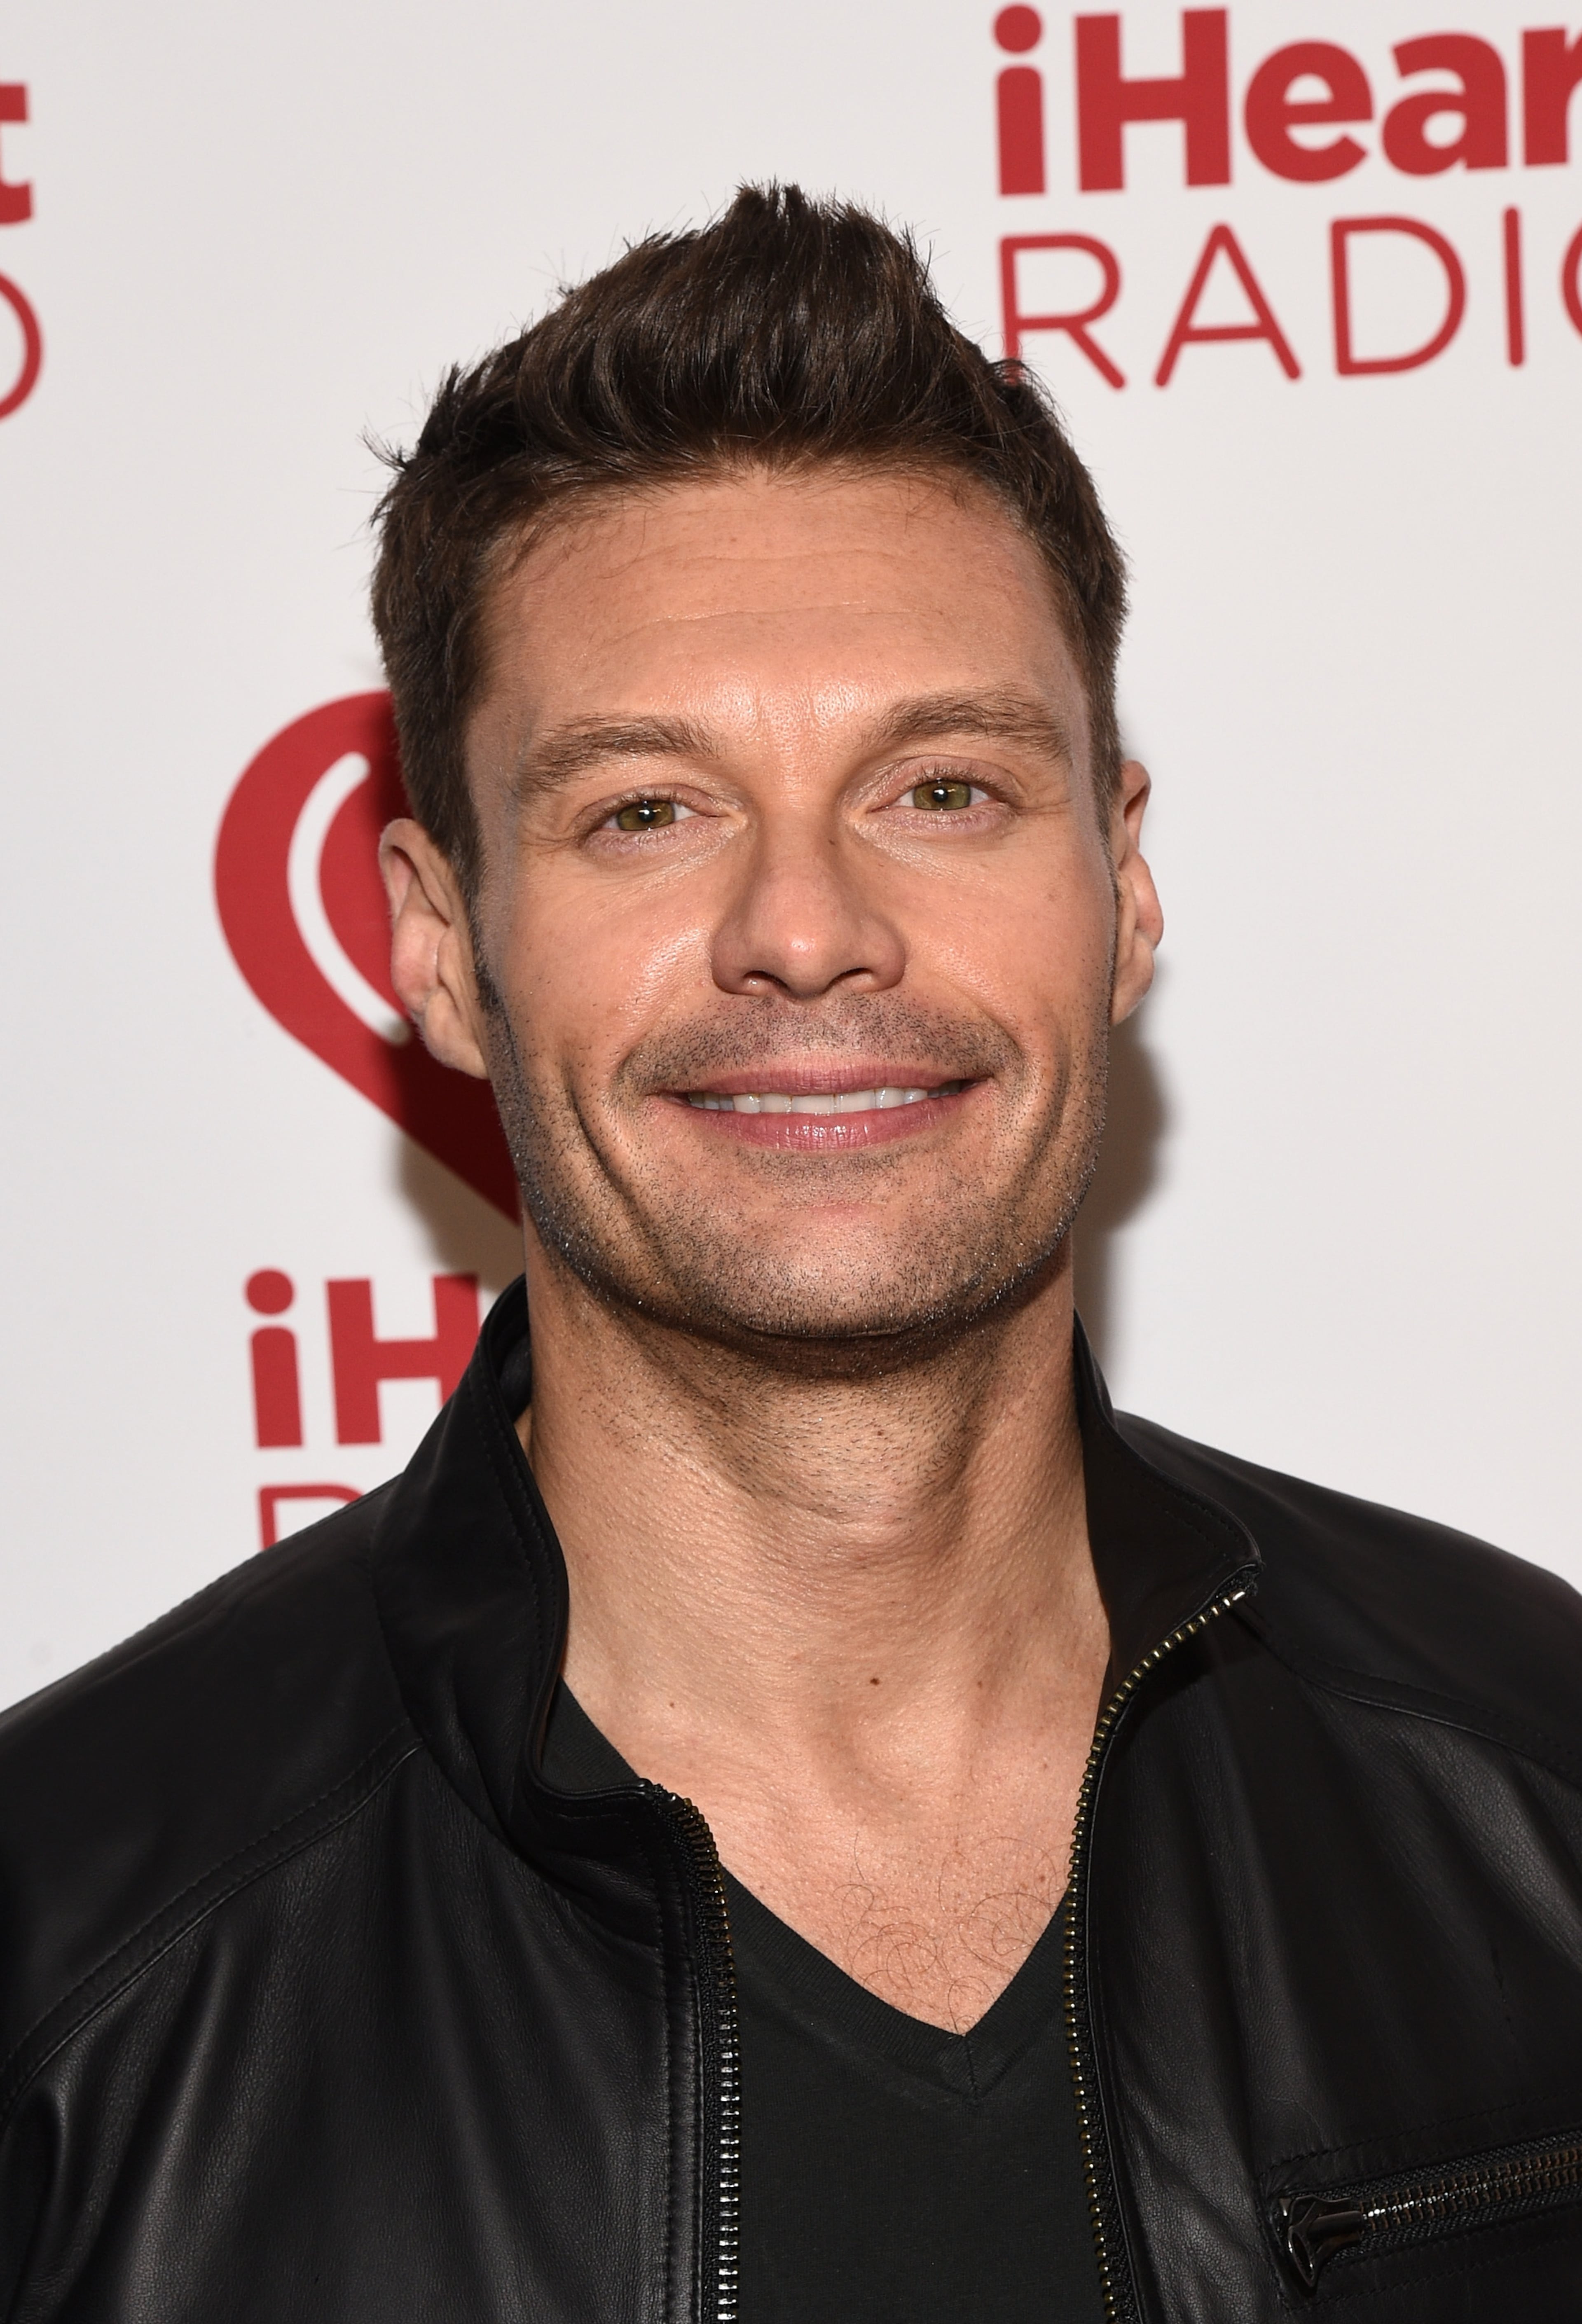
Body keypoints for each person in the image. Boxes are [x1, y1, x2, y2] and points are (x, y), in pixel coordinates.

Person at [3, 185, 1581, 2324]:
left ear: (1121, 886)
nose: (810, 927)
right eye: (647, 809)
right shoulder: (69, 1961)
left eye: (940, 788)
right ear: (437, 945)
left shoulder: (1535, 1788)